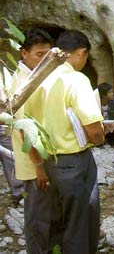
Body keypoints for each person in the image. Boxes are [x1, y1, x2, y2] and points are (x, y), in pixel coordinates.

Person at [35, 30, 105, 254]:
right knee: (79, 223)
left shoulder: (41, 79)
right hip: (75, 162)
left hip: (48, 161)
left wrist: (38, 166)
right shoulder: (76, 79)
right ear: (82, 53)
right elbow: (93, 129)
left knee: (57, 221)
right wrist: (102, 136)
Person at [8, 29, 53, 253]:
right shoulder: (22, 83)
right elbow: (25, 129)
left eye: (48, 55)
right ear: (24, 53)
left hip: (38, 161)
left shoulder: (33, 77)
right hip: (34, 164)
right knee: (38, 218)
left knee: (43, 214)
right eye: (39, 54)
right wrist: (39, 167)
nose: (44, 60)